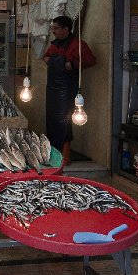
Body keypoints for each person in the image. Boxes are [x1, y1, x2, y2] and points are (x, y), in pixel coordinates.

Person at [42, 15, 96, 164]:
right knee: (52, 119)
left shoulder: (78, 45)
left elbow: (91, 60)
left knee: (65, 120)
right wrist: (48, 59)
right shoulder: (54, 45)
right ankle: (53, 151)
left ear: (66, 29)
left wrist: (72, 64)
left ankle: (65, 155)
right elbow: (45, 57)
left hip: (68, 88)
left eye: (56, 28)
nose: (53, 31)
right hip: (52, 89)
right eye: (53, 28)